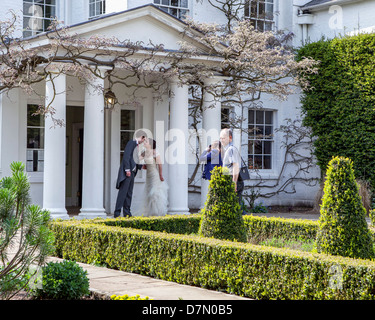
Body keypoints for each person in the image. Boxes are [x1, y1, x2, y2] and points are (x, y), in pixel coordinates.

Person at [114, 131, 147, 218]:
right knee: (123, 193)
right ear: (141, 137)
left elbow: (135, 159)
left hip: (132, 173)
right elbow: (126, 157)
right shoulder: (131, 143)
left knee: (129, 193)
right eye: (144, 139)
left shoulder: (137, 146)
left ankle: (127, 213)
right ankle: (117, 213)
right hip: (127, 173)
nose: (143, 141)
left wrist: (142, 166)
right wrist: (127, 169)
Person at [136, 138, 169, 216]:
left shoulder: (155, 152)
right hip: (148, 175)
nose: (144, 142)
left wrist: (161, 175)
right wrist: (144, 165)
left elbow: (160, 164)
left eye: (146, 142)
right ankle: (149, 212)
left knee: (154, 193)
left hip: (154, 175)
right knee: (148, 191)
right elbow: (138, 159)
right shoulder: (144, 152)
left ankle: (156, 212)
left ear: (150, 144)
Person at [219, 128, 244, 206]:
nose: (221, 140)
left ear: (230, 138)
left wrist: (234, 183)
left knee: (234, 207)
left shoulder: (231, 149)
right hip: (230, 179)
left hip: (233, 180)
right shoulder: (228, 149)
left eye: (223, 138)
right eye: (220, 138)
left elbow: (235, 166)